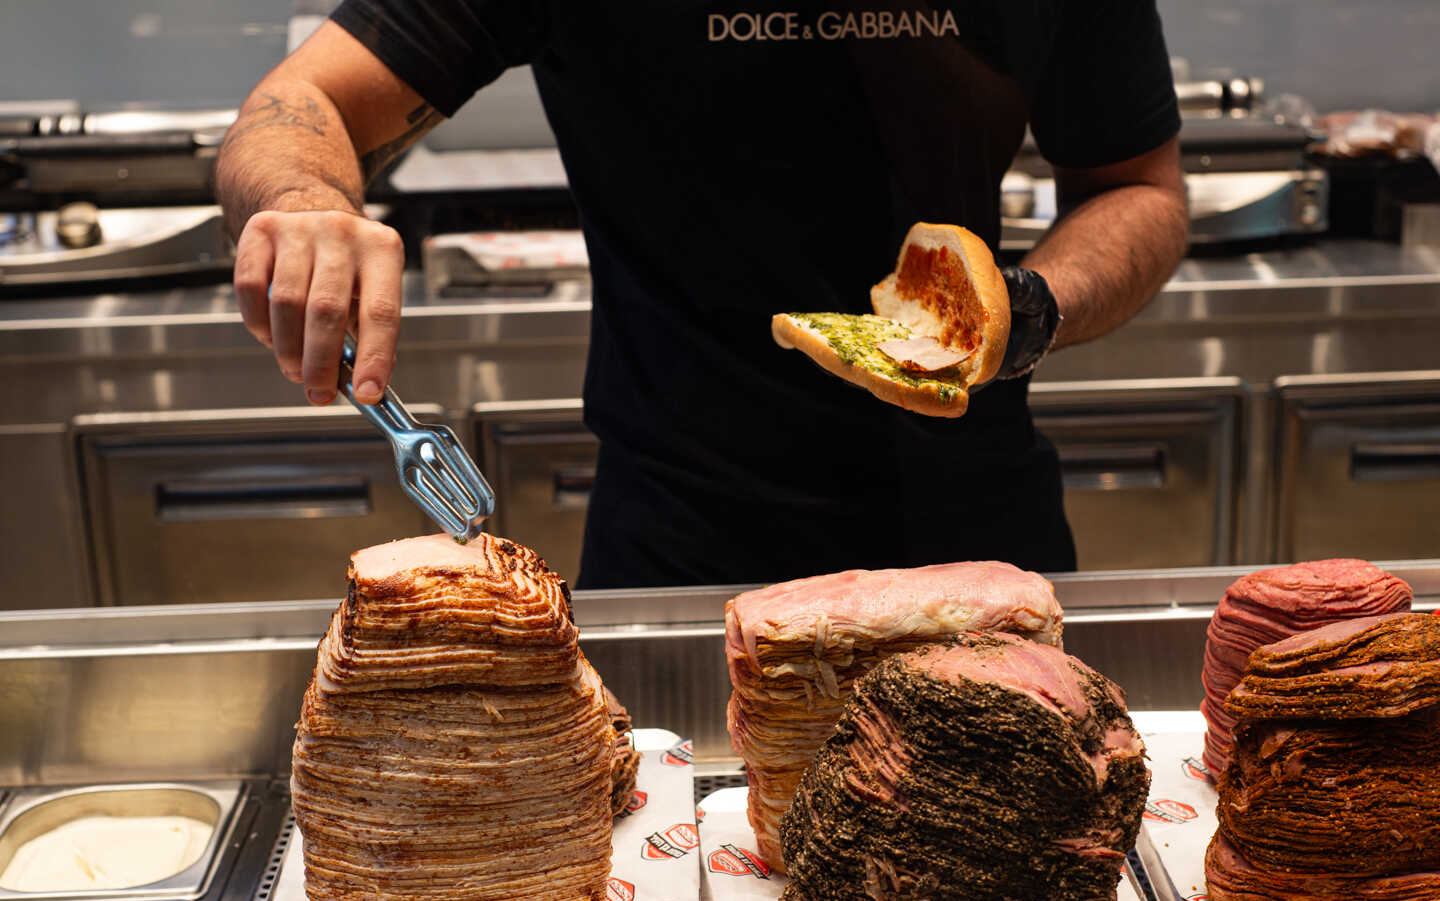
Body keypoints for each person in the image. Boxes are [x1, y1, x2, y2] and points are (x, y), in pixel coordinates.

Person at [216, 0, 1188, 588]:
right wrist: (303, 207)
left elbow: (1138, 186)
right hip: (685, 542)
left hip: (983, 528)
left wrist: (1025, 311)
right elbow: (305, 103)